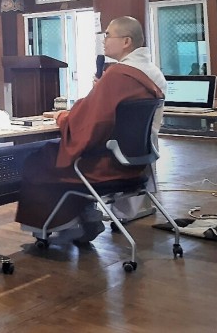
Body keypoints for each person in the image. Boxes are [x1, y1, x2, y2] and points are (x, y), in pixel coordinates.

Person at [15, 16, 167, 244]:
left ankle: (68, 225)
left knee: (41, 158)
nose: (104, 40)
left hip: (107, 166)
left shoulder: (119, 75)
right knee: (58, 153)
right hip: (136, 162)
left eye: (108, 35)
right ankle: (87, 217)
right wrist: (98, 94)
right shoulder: (149, 72)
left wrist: (63, 117)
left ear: (126, 41)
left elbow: (90, 124)